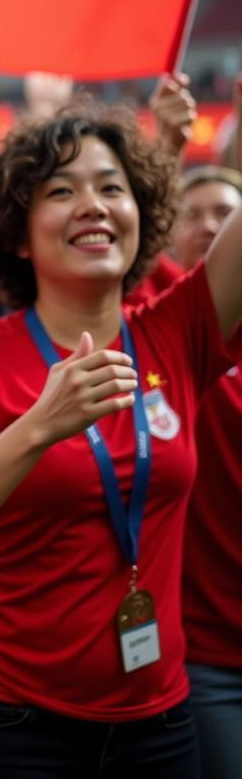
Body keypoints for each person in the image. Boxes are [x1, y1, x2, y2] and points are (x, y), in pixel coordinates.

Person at [0, 108, 242, 778]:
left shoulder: (180, 330)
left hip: (159, 722)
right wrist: (37, 427)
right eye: (61, 191)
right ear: (18, 235)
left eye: (112, 188)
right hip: (5, 723)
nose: (93, 206)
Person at [172, 165, 242, 779]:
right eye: (189, 216)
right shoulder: (170, 332)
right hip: (206, 654)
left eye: (225, 213)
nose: (210, 228)